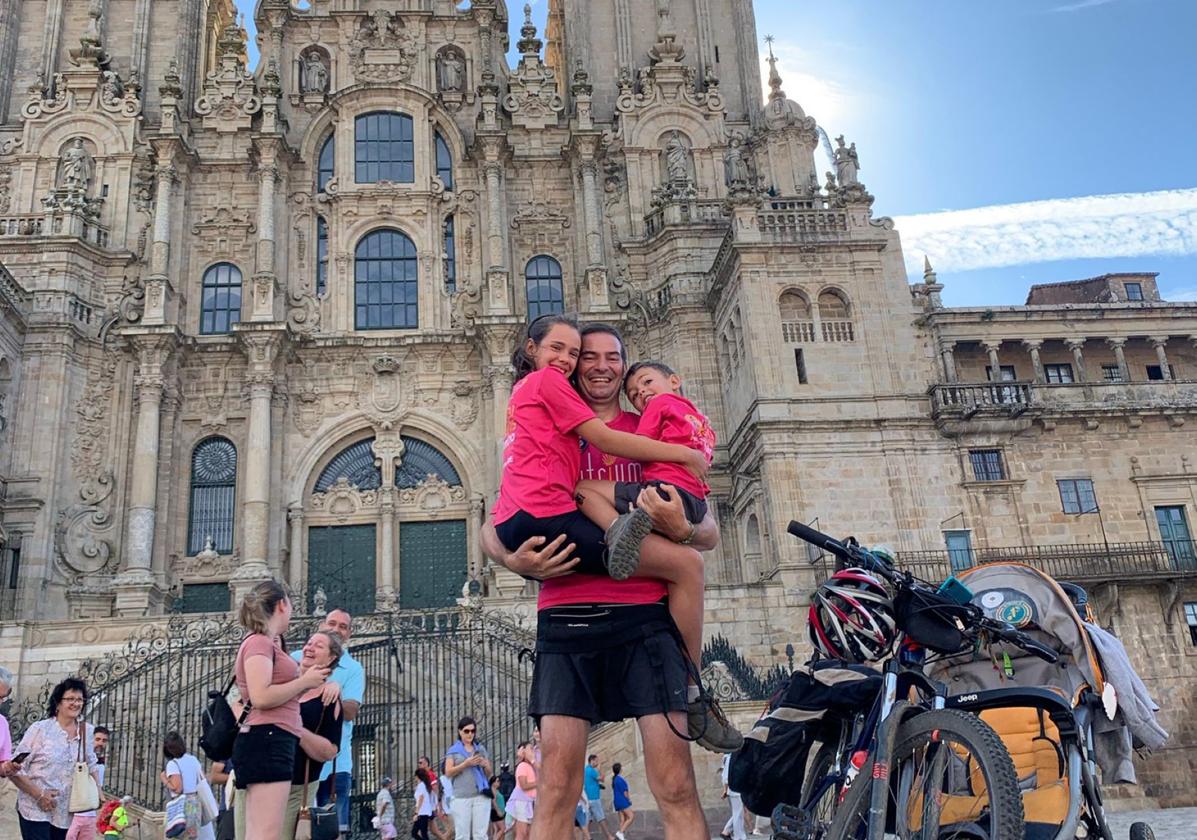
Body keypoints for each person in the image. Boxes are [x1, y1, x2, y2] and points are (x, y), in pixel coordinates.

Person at [479, 323, 726, 840]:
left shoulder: (655, 422)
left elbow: (707, 528)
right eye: (585, 356)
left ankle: (693, 687)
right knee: (555, 790)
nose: (598, 365)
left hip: (645, 622)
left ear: (624, 364)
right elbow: (498, 514)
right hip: (566, 618)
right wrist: (510, 559)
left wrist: (685, 527)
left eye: (611, 357)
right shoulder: (550, 421)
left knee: (676, 786)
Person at [574, 359, 729, 747]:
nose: (640, 393)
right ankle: (696, 690)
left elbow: (709, 535)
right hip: (689, 495)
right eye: (635, 391)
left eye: (645, 383)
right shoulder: (698, 420)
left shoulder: (652, 412)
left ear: (673, 381)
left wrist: (685, 529)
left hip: (658, 504)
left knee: (584, 489)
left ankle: (616, 530)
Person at [232, 580, 330, 840]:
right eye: (291, 603)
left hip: (271, 739)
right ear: (281, 605)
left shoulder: (270, 644)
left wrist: (308, 684)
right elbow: (260, 696)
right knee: (266, 835)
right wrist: (304, 682)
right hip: (269, 740)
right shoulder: (259, 643)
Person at [292, 608, 364, 838]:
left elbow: (351, 712)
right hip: (294, 761)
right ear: (321, 625)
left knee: (330, 831)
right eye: (332, 623)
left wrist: (334, 690)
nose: (336, 629)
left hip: (335, 764)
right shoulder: (295, 658)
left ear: (350, 634)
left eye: (343, 626)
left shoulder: (353, 668)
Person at [8, 677, 100, 840]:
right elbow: (16, 767)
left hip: (65, 811)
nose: (76, 703)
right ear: (58, 703)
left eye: (80, 699)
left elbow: (91, 764)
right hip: (34, 808)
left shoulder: (86, 731)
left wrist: (98, 792)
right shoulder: (40, 729)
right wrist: (39, 794)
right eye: (70, 699)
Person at [285, 632, 344, 840]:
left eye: (318, 646)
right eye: (308, 642)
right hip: (263, 781)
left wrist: (296, 728)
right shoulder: (283, 683)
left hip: (297, 790)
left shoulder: (328, 698)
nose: (309, 648)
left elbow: (330, 751)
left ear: (331, 658)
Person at [442, 716, 492, 840]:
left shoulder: (480, 749)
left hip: (481, 795)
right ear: (460, 731)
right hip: (461, 797)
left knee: (480, 835)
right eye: (466, 731)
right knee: (462, 835)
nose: (470, 734)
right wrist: (465, 764)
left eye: (472, 731)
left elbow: (489, 772)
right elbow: (448, 772)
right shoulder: (453, 751)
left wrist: (485, 765)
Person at [161, 732, 216, 840]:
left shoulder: (173, 764)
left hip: (183, 805)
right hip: (196, 802)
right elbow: (202, 778)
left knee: (179, 835)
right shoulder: (193, 759)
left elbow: (177, 788)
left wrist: (164, 779)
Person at [67, 725, 109, 840]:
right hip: (75, 813)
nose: (100, 743)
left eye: (104, 740)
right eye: (97, 739)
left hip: (90, 814)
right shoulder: (81, 757)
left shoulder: (101, 762)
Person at [505, 742, 535, 840]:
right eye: (530, 748)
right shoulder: (522, 766)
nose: (533, 751)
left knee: (527, 833)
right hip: (521, 801)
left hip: (527, 801)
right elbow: (524, 785)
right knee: (521, 833)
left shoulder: (529, 766)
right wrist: (540, 782)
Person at [581, 755, 612, 840]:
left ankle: (585, 838)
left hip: (587, 799)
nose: (597, 762)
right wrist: (601, 768)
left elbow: (592, 778)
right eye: (596, 761)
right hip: (594, 798)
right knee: (601, 818)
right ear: (592, 761)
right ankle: (609, 836)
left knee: (588, 820)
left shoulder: (586, 770)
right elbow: (602, 779)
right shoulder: (592, 771)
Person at [720, 752, 746, 840]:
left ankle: (727, 831)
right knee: (738, 814)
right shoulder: (730, 758)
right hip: (735, 789)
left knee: (738, 813)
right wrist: (725, 789)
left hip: (736, 789)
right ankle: (739, 837)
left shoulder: (729, 758)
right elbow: (726, 776)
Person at [611, 763, 633, 840]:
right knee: (631, 817)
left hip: (617, 802)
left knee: (622, 819)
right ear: (620, 769)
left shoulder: (615, 779)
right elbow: (625, 792)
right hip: (622, 801)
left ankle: (621, 837)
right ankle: (620, 832)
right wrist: (629, 800)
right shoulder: (621, 779)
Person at [409, 770, 431, 840]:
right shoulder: (421, 785)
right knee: (414, 832)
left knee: (423, 833)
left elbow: (421, 799)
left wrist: (416, 813)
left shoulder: (421, 785)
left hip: (423, 812)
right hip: (421, 812)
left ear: (417, 776)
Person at [486, 775, 506, 840]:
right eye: (497, 781)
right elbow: (493, 802)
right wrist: (498, 811)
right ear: (493, 783)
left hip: (498, 811)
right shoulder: (493, 791)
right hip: (497, 812)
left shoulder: (495, 790)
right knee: (502, 829)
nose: (499, 782)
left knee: (497, 830)